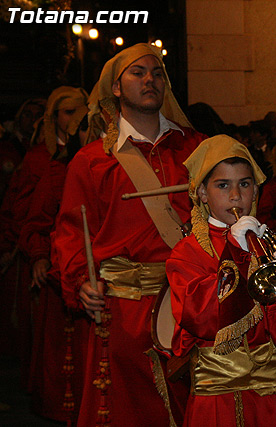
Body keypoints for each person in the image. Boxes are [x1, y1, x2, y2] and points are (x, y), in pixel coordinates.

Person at [53, 43, 205, 426]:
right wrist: (79, 282)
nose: (149, 79)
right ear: (116, 88)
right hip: (123, 311)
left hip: (192, 304)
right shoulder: (91, 160)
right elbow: (72, 233)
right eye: (137, 73)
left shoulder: (197, 149)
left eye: (156, 73)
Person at [166, 135, 276, 426]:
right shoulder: (187, 252)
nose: (236, 196)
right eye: (222, 185)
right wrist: (236, 253)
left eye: (245, 184)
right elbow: (201, 318)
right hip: (218, 400)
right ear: (201, 192)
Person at [17, 86, 89, 423]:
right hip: (64, 271)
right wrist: (39, 255)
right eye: (67, 113)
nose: (75, 122)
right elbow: (34, 216)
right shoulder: (51, 163)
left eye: (82, 114)